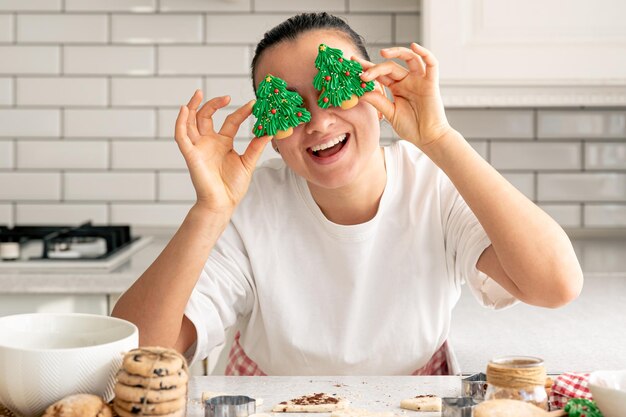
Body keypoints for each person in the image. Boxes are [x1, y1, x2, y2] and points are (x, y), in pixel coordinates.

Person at [112, 13, 583, 375]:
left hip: (409, 399)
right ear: (271, 132)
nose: (318, 123)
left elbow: (555, 285)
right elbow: (136, 353)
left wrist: (439, 139)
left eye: (336, 92)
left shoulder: (434, 186)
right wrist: (209, 209)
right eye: (288, 107)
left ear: (377, 96)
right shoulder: (249, 206)